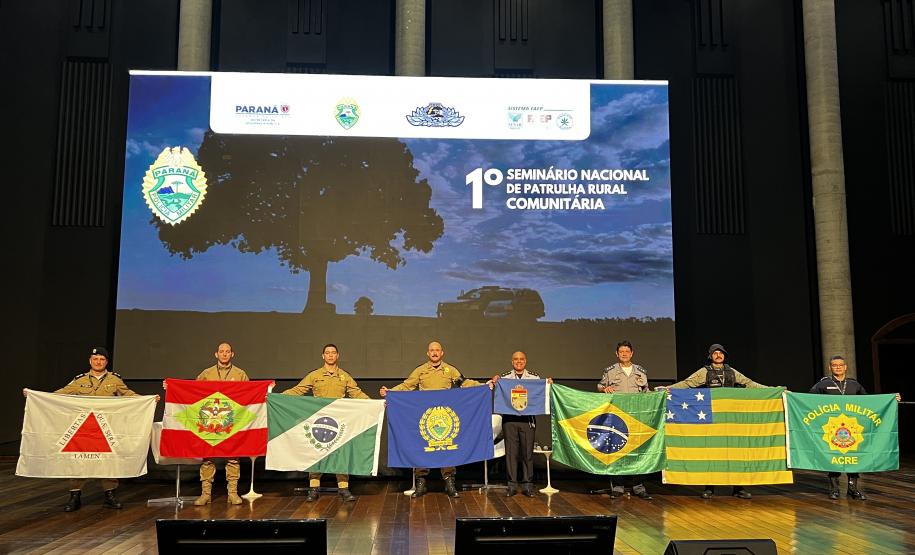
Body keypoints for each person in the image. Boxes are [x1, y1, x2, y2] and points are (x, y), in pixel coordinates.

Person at [380, 341, 491, 498]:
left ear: (442, 353)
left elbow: (463, 383)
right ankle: (421, 483)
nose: (434, 353)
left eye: (437, 350)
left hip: (445, 416)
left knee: (447, 446)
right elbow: (407, 386)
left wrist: (483, 386)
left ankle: (449, 482)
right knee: (423, 446)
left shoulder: (450, 370)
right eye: (431, 350)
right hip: (426, 416)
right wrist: (390, 392)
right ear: (427, 353)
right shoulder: (420, 371)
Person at [668, 343, 769, 499]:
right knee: (712, 452)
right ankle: (709, 487)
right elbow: (687, 383)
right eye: (715, 353)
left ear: (724, 355)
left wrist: (771, 389)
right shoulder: (704, 372)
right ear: (710, 356)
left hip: (731, 419)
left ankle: (738, 488)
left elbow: (750, 384)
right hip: (712, 418)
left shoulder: (732, 372)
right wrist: (669, 388)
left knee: (736, 452)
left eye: (721, 353)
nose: (718, 355)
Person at [48, 347, 137, 512]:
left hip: (106, 428)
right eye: (95, 359)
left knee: (108, 461)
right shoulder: (79, 380)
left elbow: (129, 395)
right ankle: (75, 496)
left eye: (102, 359)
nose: (98, 362)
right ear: (90, 361)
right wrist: (36, 396)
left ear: (106, 362)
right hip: (84, 429)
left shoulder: (115, 380)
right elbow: (61, 394)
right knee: (79, 460)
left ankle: (109, 496)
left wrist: (148, 399)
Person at [281, 344, 369, 502]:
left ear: (337, 356)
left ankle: (343, 488)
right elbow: (298, 390)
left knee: (340, 453)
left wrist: (374, 403)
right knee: (317, 453)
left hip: (339, 421)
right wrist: (279, 397)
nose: (330, 355)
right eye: (327, 353)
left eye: (333, 353)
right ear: (323, 356)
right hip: (319, 421)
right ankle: (314, 488)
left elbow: (356, 393)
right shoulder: (315, 375)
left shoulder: (344, 376)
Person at [809, 355, 902, 500]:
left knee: (854, 457)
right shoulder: (822, 384)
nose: (838, 367)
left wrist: (891, 399)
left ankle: (853, 489)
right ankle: (834, 490)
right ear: (830, 368)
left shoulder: (854, 384)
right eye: (834, 365)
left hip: (853, 428)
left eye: (840, 365)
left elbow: (869, 402)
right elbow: (808, 400)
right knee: (833, 457)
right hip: (831, 428)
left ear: (846, 367)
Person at [193, 342, 249, 506]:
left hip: (231, 422)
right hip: (210, 422)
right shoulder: (207, 373)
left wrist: (265, 390)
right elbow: (192, 391)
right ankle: (206, 494)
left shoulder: (240, 374)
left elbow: (249, 396)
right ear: (216, 354)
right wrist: (172, 388)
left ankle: (232, 493)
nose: (224, 354)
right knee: (207, 458)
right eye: (221, 351)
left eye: (227, 352)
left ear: (233, 354)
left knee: (232, 458)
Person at [596, 340, 653, 499]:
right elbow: (600, 386)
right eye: (621, 352)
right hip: (618, 418)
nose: (624, 354)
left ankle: (638, 485)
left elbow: (646, 392)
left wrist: (659, 395)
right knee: (617, 450)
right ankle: (618, 485)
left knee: (638, 450)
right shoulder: (610, 371)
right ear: (617, 354)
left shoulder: (640, 371)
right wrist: (604, 388)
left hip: (637, 417)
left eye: (627, 352)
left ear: (632, 353)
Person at [491, 351, 552, 497]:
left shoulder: (534, 378)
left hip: (527, 420)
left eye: (522, 359)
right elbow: (497, 390)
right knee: (511, 454)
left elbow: (541, 392)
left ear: (526, 361)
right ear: (512, 362)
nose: (519, 362)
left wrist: (547, 384)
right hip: (510, 420)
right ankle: (511, 486)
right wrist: (495, 381)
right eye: (516, 359)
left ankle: (527, 485)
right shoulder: (504, 378)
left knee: (527, 454)